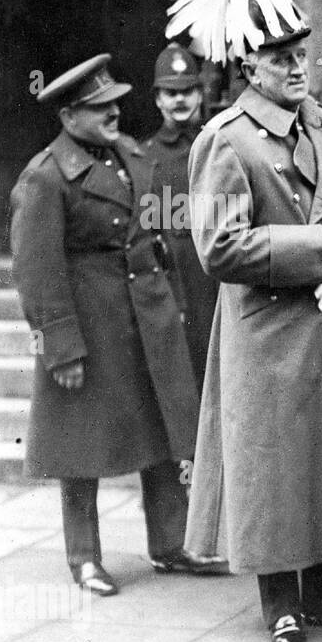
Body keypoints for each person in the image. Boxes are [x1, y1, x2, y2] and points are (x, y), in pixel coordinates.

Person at [172, 0, 322, 642]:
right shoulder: (225, 138)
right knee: (273, 464)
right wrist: (317, 242)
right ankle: (281, 604)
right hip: (267, 330)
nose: (298, 66)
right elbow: (218, 248)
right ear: (248, 64)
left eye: (301, 52)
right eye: (281, 57)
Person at [10, 53, 214, 596]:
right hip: (90, 327)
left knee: (166, 430)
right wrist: (61, 348)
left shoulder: (131, 155)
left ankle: (171, 545)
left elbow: (156, 237)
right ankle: (84, 558)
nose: (114, 112)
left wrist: (170, 301)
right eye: (101, 107)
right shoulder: (46, 177)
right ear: (70, 116)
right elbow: (37, 271)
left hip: (147, 317)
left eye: (116, 102)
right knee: (80, 443)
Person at [140, 42, 218, 389]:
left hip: (217, 282)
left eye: (187, 91)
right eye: (170, 92)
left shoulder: (217, 146)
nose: (180, 100)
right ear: (158, 98)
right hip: (177, 285)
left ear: (200, 94)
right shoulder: (146, 158)